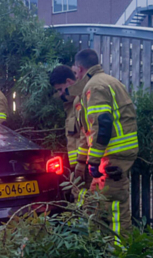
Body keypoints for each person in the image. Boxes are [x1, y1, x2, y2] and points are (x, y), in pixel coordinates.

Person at [72, 48, 138, 245]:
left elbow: (102, 124)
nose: (76, 78)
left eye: (76, 73)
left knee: (116, 207)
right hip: (117, 153)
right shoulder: (110, 81)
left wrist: (93, 160)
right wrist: (83, 161)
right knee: (96, 202)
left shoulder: (94, 86)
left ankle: (121, 257)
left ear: (81, 69)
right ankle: (100, 248)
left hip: (112, 156)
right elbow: (90, 131)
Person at [50, 64, 92, 198]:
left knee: (88, 202)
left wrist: (81, 163)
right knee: (80, 201)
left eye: (61, 89)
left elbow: (87, 135)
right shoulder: (70, 106)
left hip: (87, 166)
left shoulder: (84, 101)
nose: (61, 94)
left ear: (69, 82)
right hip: (78, 169)